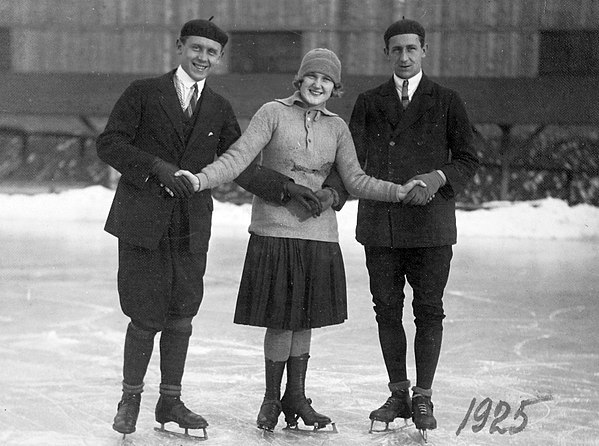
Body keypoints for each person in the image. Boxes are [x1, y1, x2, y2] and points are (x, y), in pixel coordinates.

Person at [96, 19, 329, 437]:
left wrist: (286, 188)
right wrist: (155, 168)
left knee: (182, 315)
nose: (203, 58)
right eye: (197, 49)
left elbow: (238, 164)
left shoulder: (218, 108)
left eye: (212, 53)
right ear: (181, 47)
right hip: (142, 222)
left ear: (218, 59)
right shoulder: (144, 93)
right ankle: (130, 398)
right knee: (145, 316)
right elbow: (109, 143)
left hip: (190, 224)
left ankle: (171, 400)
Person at [178, 48, 426, 432]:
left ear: (335, 87)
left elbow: (356, 180)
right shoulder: (272, 113)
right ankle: (271, 399)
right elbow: (238, 158)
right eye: (311, 76)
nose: (317, 84)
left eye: (326, 79)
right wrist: (200, 179)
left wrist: (398, 191)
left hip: (319, 237)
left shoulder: (338, 128)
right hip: (275, 233)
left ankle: (297, 395)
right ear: (299, 79)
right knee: (280, 320)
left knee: (305, 320)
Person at [348, 19, 480, 434]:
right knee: (386, 310)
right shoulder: (369, 101)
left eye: (412, 49)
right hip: (380, 225)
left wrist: (435, 179)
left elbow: (468, 159)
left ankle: (423, 396)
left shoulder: (446, 100)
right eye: (396, 50)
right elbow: (349, 161)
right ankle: (398, 393)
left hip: (430, 227)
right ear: (386, 53)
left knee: (428, 310)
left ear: (424, 50)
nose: (404, 57)